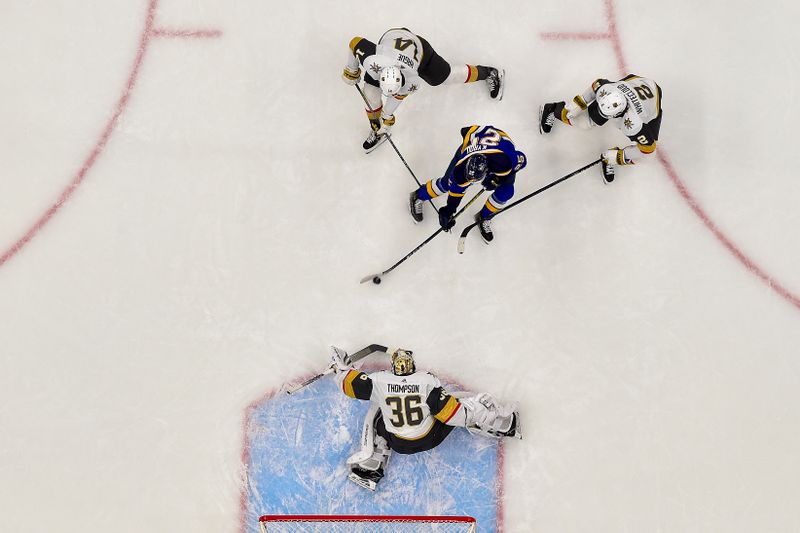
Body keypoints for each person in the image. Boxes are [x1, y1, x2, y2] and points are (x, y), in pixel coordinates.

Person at [330, 346, 520, 491]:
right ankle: (501, 424)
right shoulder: (426, 382)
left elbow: (351, 385)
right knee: (460, 403)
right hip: (430, 438)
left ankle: (372, 466)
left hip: (399, 444)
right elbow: (453, 415)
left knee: (378, 419)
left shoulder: (380, 381)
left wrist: (342, 370)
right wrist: (478, 410)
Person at [342, 28, 505, 152]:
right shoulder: (372, 61)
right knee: (370, 93)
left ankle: (488, 72)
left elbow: (396, 98)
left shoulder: (411, 81)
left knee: (447, 76)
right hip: (389, 46)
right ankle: (376, 127)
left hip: (419, 49)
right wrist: (352, 69)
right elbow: (354, 42)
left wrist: (388, 115)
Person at [409, 125, 527, 243]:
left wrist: (498, 179)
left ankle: (483, 217)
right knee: (447, 184)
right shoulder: (461, 170)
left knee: (507, 191)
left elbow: (522, 159)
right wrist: (449, 210)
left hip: (501, 145)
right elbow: (456, 192)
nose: (470, 183)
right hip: (473, 144)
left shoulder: (504, 162)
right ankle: (418, 196)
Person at [538, 74, 663, 183]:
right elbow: (596, 85)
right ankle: (553, 109)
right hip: (635, 82)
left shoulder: (633, 124)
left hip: (652, 102)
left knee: (647, 157)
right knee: (583, 123)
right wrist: (577, 104)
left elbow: (649, 149)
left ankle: (611, 160)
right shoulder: (607, 90)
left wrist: (618, 155)